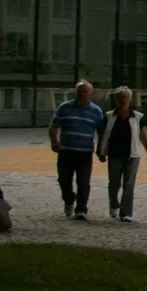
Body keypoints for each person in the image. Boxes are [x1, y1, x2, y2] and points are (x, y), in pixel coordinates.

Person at [48, 81, 103, 220]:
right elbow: (54, 126)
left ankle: (81, 209)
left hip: (84, 153)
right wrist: (54, 142)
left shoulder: (96, 111)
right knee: (63, 180)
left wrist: (102, 149)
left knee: (83, 181)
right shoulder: (65, 107)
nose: (81, 94)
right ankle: (69, 199)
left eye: (85, 91)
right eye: (79, 91)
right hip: (66, 151)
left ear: (90, 93)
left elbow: (102, 132)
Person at [98, 86, 147, 222]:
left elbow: (143, 136)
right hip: (115, 154)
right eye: (121, 97)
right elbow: (103, 135)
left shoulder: (138, 117)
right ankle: (114, 203)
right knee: (114, 182)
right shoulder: (109, 116)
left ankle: (126, 212)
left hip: (132, 155)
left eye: (126, 97)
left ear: (130, 99)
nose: (124, 100)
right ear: (117, 99)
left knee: (129, 184)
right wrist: (101, 151)